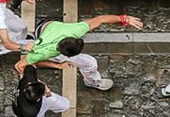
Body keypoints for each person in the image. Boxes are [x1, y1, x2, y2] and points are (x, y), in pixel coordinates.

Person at [14, 15, 144, 90]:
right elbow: (19, 66)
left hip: (45, 29)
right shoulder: (43, 53)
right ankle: (92, 81)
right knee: (90, 63)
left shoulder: (75, 29)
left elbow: (101, 19)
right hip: (44, 36)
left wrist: (125, 19)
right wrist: (42, 83)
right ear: (68, 56)